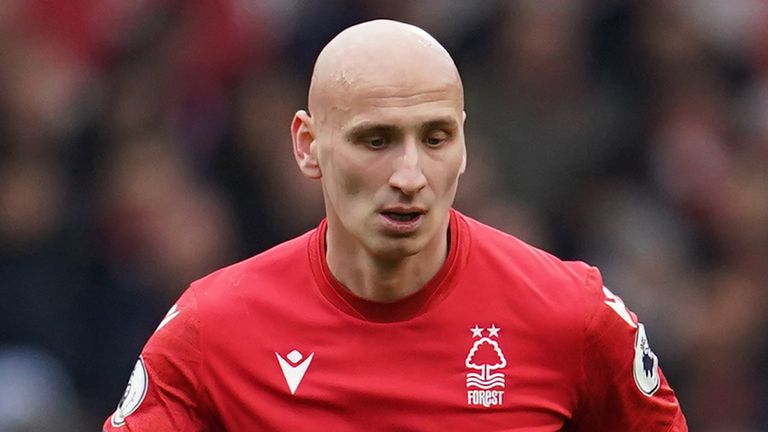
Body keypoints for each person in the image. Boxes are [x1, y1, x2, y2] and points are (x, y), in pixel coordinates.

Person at [103, 19, 687, 431]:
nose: (410, 175)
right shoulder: (214, 329)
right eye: (375, 140)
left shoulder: (571, 316)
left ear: (464, 144)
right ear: (308, 146)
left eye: (435, 138)